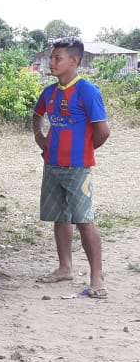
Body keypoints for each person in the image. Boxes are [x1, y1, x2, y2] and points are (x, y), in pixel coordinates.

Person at [32, 38, 111, 298]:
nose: (51, 62)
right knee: (60, 217)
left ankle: (96, 276)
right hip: (52, 165)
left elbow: (102, 131)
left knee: (84, 220)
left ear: (74, 61)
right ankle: (65, 267)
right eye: (51, 58)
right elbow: (38, 114)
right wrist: (40, 137)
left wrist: (84, 150)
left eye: (57, 58)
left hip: (78, 168)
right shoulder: (49, 92)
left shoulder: (87, 91)